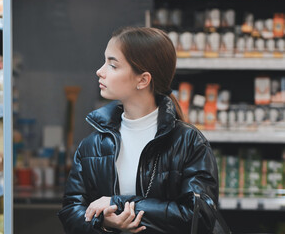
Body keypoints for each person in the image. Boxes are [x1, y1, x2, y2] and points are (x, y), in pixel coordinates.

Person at [58, 26, 222, 234]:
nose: (100, 71)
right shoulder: (93, 145)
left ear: (143, 80)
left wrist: (118, 203)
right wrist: (104, 223)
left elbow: (199, 217)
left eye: (113, 65)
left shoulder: (189, 142)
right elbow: (71, 212)